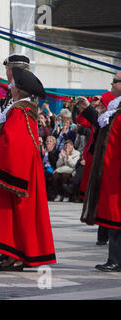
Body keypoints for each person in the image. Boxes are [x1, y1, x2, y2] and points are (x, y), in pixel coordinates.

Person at [0, 67, 56, 271]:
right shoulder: (21, 109)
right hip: (18, 171)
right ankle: (11, 255)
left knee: (13, 216)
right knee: (14, 216)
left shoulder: (19, 111)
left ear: (18, 90)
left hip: (15, 173)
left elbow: (13, 143)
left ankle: (15, 256)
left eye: (12, 84)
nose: (9, 87)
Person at [81, 71, 121, 272]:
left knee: (117, 217)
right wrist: (88, 110)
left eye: (115, 80)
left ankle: (116, 260)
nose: (112, 83)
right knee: (113, 217)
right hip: (110, 173)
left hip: (117, 174)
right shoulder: (115, 109)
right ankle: (114, 258)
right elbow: (100, 128)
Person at [40, 135, 60, 201]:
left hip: (51, 168)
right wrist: (42, 155)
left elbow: (54, 163)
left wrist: (50, 152)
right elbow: (40, 161)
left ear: (54, 143)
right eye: (47, 141)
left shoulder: (56, 151)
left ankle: (44, 195)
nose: (48, 142)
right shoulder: (43, 150)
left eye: (50, 141)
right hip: (43, 168)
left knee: (43, 174)